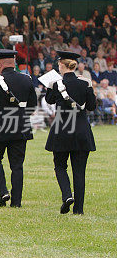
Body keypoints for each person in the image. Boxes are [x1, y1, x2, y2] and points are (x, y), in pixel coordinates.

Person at [0, 49, 37, 208]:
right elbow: (32, 105)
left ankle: (3, 192)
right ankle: (17, 202)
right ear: (13, 63)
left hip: (0, 125)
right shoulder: (26, 80)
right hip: (20, 125)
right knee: (17, 165)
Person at [44, 51, 97, 214]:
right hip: (81, 129)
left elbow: (49, 100)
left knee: (60, 166)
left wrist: (50, 85)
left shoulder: (56, 84)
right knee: (79, 171)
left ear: (61, 65)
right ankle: (78, 209)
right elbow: (91, 106)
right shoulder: (85, 83)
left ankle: (67, 195)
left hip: (62, 129)